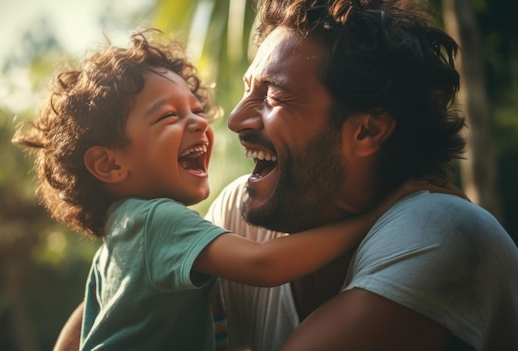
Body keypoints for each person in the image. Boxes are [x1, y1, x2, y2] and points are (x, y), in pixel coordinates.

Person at [14, 29, 448, 350]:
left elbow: (75, 337)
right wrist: (377, 215)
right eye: (168, 116)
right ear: (110, 162)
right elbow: (266, 263)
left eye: (197, 109)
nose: (201, 123)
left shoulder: (121, 236)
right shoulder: (156, 222)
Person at [204, 0, 518, 350]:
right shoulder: (243, 218)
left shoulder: (439, 227)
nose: (234, 120)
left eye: (273, 95)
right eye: (249, 90)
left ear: (366, 131)